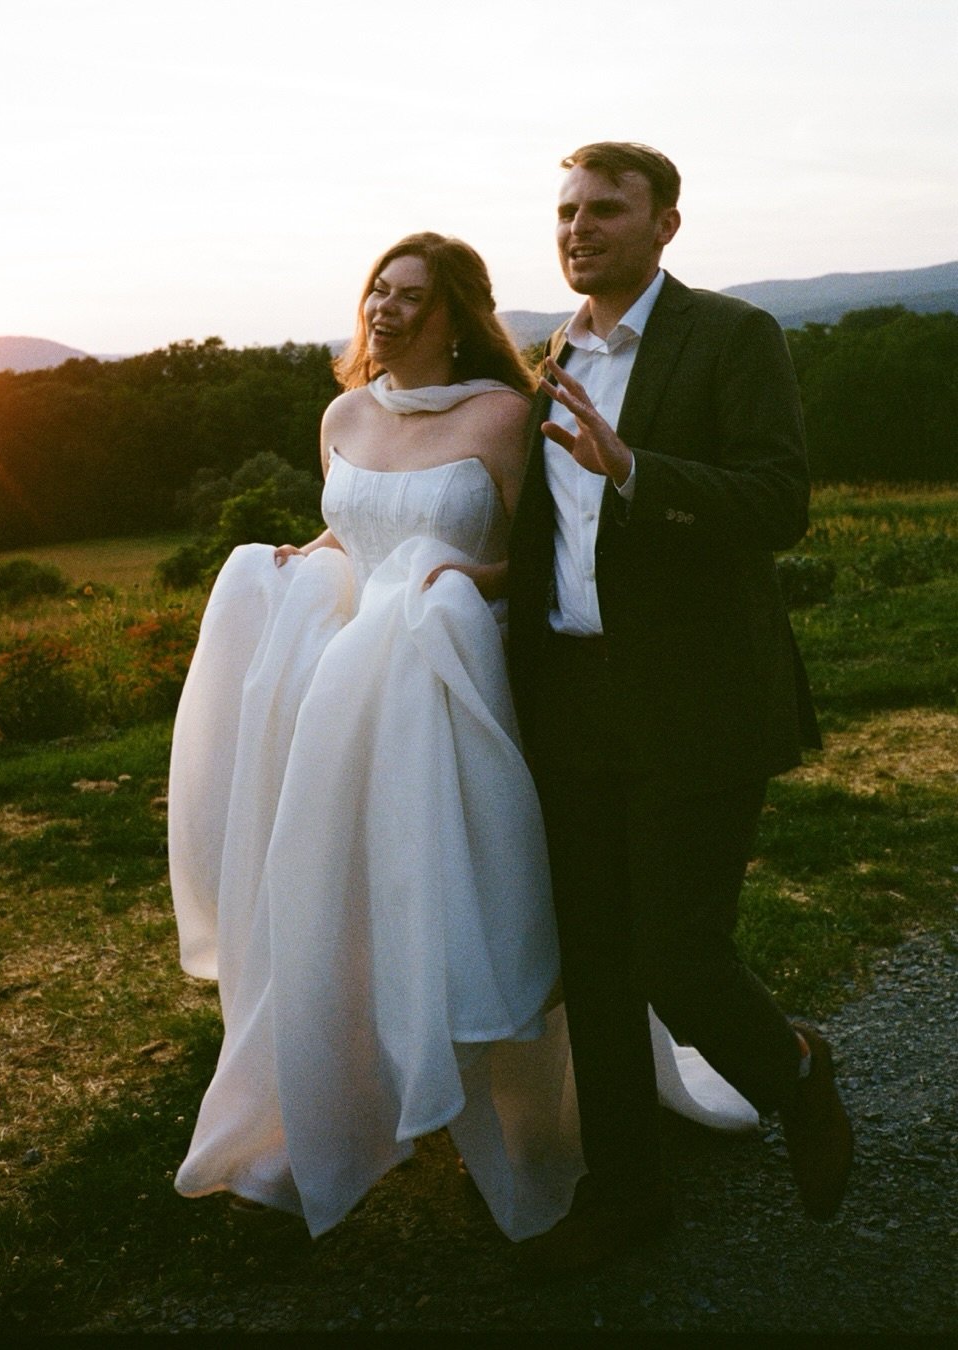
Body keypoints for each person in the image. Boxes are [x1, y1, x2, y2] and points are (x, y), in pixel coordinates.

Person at [168, 230, 758, 1245]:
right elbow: (355, 533)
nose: (385, 311)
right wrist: (296, 557)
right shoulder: (342, 413)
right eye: (376, 293)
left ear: (456, 315)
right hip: (348, 691)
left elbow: (538, 559)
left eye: (409, 297)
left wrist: (453, 580)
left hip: (458, 682)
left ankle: (519, 1109)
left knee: (466, 897)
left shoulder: (504, 416)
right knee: (349, 893)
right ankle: (351, 1086)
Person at [507, 142, 854, 1271]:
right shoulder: (543, 359)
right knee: (595, 964)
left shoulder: (731, 338)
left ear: (667, 226)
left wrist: (637, 470)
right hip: (569, 702)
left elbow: (777, 501)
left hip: (698, 701)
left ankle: (794, 1072)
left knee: (676, 952)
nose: (578, 229)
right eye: (565, 211)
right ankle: (626, 1195)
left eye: (606, 209)